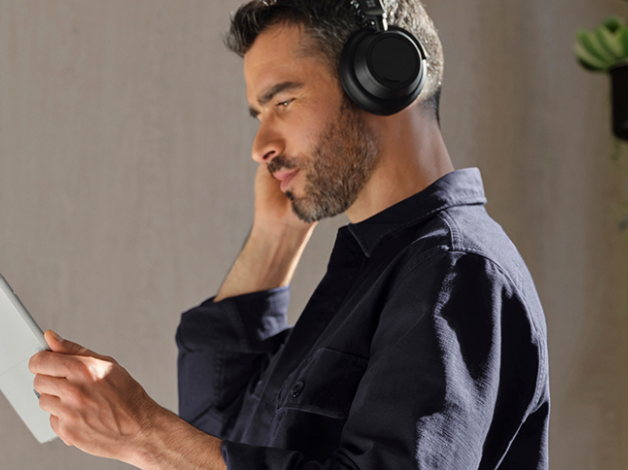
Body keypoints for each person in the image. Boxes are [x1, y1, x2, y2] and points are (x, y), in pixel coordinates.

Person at [28, 1, 550, 469]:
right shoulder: (376, 270)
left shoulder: (452, 270)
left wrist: (143, 435)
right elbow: (218, 430)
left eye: (282, 103)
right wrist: (274, 238)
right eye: (258, 115)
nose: (260, 146)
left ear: (384, 77)